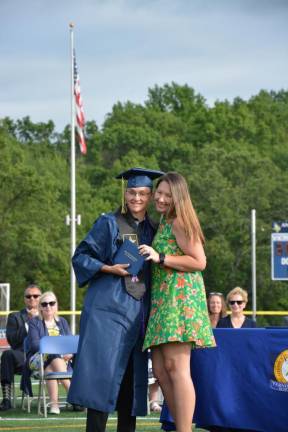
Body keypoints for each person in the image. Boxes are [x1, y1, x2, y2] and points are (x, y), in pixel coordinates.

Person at [67, 167, 164, 432]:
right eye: (132, 192)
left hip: (139, 313)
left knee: (131, 384)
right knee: (102, 377)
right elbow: (81, 257)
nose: (137, 198)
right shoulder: (109, 223)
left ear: (150, 195)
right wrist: (110, 268)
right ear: (125, 193)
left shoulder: (155, 229)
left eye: (143, 193)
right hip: (108, 311)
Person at [139, 172, 215, 432]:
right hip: (163, 300)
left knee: (176, 367)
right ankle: (182, 426)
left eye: (166, 195)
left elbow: (199, 261)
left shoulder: (180, 221)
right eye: (158, 192)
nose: (159, 198)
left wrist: (161, 257)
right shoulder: (164, 220)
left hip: (179, 300)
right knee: (160, 370)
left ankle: (184, 430)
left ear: (178, 197)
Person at [27, 291, 72, 415]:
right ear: (40, 306)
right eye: (45, 304)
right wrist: (55, 348)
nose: (48, 306)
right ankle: (74, 395)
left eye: (52, 303)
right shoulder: (34, 322)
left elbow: (70, 342)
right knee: (53, 354)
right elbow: (35, 344)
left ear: (56, 305)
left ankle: (54, 405)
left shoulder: (62, 321)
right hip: (38, 359)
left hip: (62, 361)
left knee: (50, 369)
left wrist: (70, 353)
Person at [0, 283, 41, 411]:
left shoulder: (48, 313)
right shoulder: (15, 317)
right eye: (28, 296)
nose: (32, 299)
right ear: (24, 299)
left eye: (35, 296)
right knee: (7, 354)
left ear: (41, 297)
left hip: (46, 356)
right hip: (23, 357)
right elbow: (13, 341)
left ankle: (75, 399)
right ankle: (7, 399)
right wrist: (29, 322)